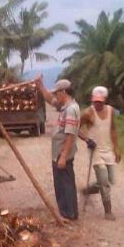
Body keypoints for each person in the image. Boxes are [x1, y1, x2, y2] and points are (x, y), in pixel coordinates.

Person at [38, 77, 80, 221]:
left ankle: (68, 213)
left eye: (57, 93)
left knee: (64, 184)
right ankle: (69, 212)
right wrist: (40, 86)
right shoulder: (65, 107)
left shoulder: (71, 109)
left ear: (63, 92)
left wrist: (63, 156)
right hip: (59, 152)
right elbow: (50, 100)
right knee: (63, 183)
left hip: (63, 153)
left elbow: (70, 134)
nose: (56, 96)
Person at [79, 85, 121, 220]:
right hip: (95, 151)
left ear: (105, 100)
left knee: (110, 180)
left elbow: (113, 129)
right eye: (95, 101)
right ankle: (108, 211)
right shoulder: (88, 113)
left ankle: (91, 188)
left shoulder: (111, 111)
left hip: (108, 150)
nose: (97, 104)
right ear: (92, 100)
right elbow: (76, 128)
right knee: (104, 181)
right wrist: (87, 139)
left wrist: (116, 148)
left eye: (100, 101)